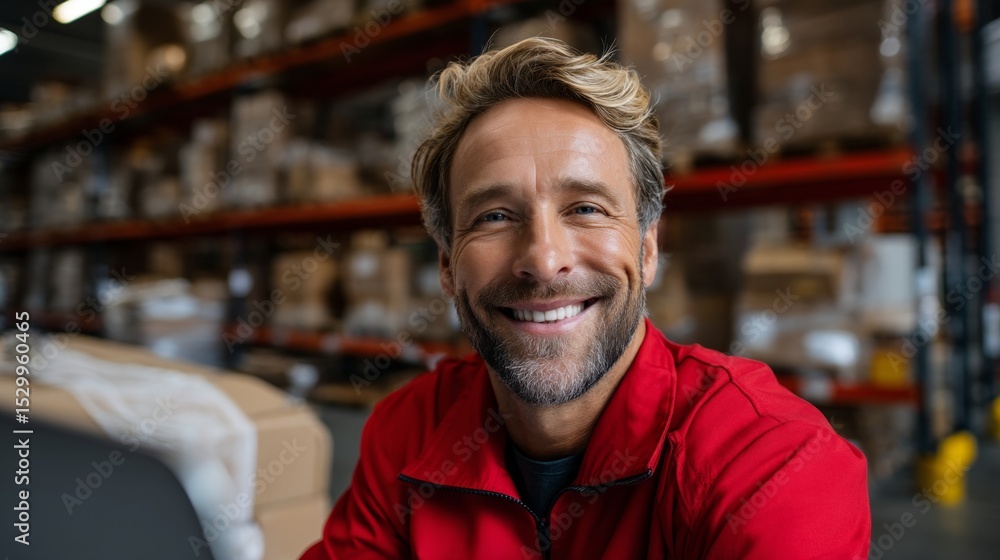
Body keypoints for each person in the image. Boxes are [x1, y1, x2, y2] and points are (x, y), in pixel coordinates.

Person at [300, 37, 870, 559]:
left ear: (647, 250)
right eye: (495, 216)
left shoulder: (774, 466)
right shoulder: (407, 432)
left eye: (586, 209)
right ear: (448, 265)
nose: (544, 260)